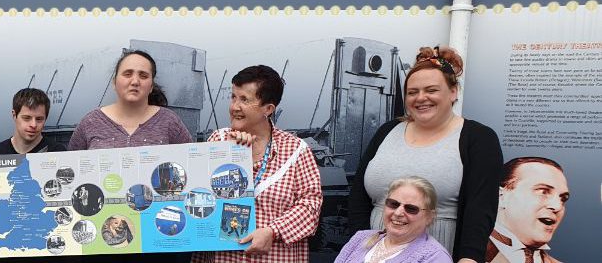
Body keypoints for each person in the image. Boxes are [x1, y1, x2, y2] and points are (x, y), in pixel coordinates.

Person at [349, 46, 502, 263]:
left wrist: (468, 259)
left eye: (431, 90)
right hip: (375, 254)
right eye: (412, 92)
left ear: (453, 91)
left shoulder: (478, 138)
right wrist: (359, 247)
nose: (421, 98)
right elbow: (358, 199)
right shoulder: (387, 131)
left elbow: (480, 212)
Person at [69, 50, 191, 262]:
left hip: (157, 241)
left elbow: (194, 166)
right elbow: (71, 172)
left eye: (143, 76)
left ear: (151, 85)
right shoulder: (90, 122)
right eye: (127, 74)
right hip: (101, 242)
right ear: (114, 81)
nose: (135, 81)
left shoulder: (169, 122)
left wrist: (236, 144)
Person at [196, 65, 322, 263]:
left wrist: (273, 231)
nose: (234, 107)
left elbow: (311, 206)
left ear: (268, 109)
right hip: (225, 258)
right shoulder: (218, 140)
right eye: (233, 97)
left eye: (244, 99)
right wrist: (225, 156)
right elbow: (195, 195)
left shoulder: (296, 150)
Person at [335, 176, 454, 263]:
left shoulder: (435, 258)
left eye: (411, 208)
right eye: (393, 204)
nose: (398, 212)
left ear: (429, 217)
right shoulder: (360, 238)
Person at [485, 157, 568, 263]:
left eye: (563, 199)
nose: (558, 206)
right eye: (543, 191)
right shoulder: (463, 254)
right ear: (501, 196)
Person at [0, 88, 66, 155]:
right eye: (27, 118)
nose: (33, 125)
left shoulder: (58, 152)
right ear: (14, 115)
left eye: (39, 119)